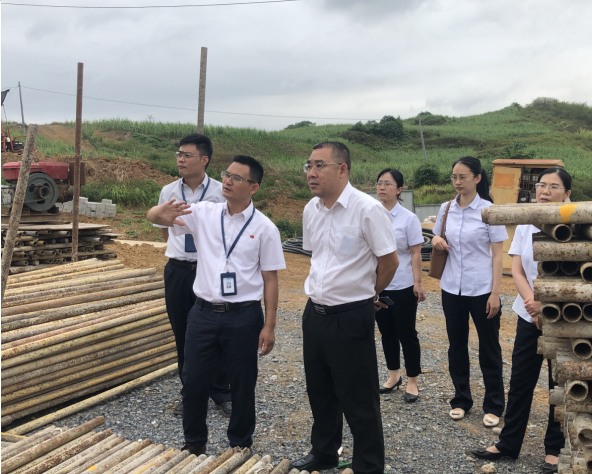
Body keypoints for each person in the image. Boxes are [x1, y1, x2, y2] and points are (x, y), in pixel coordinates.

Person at [147, 155, 286, 454]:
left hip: (243, 315)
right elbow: (154, 218)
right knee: (194, 380)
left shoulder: (265, 228)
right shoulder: (204, 213)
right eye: (226, 174)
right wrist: (159, 211)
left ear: (253, 187)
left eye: (237, 177)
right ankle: (194, 442)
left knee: (242, 382)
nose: (227, 180)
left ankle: (240, 443)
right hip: (203, 313)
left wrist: (270, 325)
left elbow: (270, 279)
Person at [290, 142, 399, 474]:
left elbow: (390, 262)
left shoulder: (368, 210)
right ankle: (324, 453)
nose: (311, 173)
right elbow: (318, 256)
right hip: (315, 313)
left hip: (351, 315)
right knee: (320, 389)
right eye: (309, 165)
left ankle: (368, 465)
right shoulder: (312, 209)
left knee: (358, 396)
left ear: (342, 169)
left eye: (319, 165)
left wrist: (368, 293)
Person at [470, 168, 570, 474]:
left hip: (565, 317)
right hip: (529, 314)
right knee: (521, 381)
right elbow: (517, 268)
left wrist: (547, 304)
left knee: (558, 385)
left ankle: (554, 450)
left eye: (554, 186)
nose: (545, 190)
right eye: (541, 185)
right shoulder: (527, 220)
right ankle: (508, 443)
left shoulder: (577, 224)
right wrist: (534, 305)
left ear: (567, 193)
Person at [153, 133, 232, 417]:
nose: (181, 159)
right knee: (183, 333)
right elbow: (164, 230)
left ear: (204, 159)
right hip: (178, 270)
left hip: (209, 271)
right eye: (179, 154)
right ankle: (190, 393)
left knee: (218, 330)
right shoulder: (169, 191)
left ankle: (222, 392)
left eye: (187, 155)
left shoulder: (220, 192)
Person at [432, 156, 508, 426]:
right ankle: (461, 399)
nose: (457, 182)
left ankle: (494, 404)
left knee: (489, 348)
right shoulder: (446, 208)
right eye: (454, 177)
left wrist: (495, 293)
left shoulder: (489, 210)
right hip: (452, 288)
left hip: (482, 289)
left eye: (463, 177)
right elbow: (436, 234)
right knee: (456, 346)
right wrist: (436, 239)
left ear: (477, 178)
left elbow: (498, 255)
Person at [375, 169, 426, 402]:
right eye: (379, 183)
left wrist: (418, 282)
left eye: (388, 183)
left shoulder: (408, 218)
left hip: (403, 284)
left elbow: (415, 253)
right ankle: (393, 375)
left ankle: (412, 380)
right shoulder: (371, 215)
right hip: (379, 285)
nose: (382, 187)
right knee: (386, 332)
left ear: (399, 189)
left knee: (407, 333)